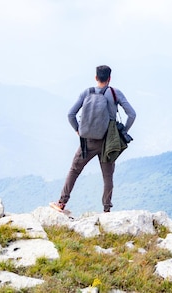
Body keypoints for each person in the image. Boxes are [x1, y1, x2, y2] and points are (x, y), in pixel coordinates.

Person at [50, 65, 136, 213]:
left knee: (74, 170)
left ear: (96, 77)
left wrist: (78, 130)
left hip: (88, 141)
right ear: (109, 78)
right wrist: (121, 133)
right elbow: (132, 114)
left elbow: (70, 114)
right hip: (108, 141)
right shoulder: (115, 93)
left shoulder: (87, 93)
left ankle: (61, 203)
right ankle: (106, 210)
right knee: (107, 176)